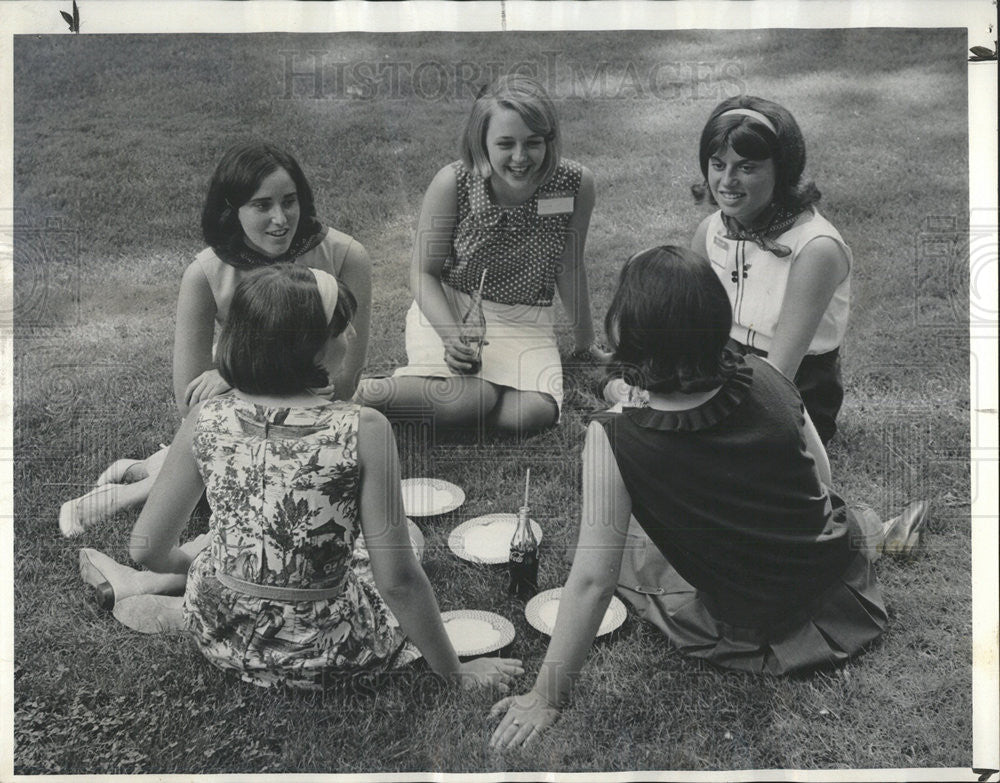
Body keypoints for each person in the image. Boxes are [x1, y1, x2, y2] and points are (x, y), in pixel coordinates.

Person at [489, 247, 926, 749]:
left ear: (626, 335)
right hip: (836, 580)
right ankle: (878, 533)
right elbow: (823, 480)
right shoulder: (768, 375)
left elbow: (592, 581)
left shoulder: (612, 436)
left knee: (616, 552)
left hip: (760, 621)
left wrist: (546, 696)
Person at [80, 264, 522, 691]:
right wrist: (455, 673)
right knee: (406, 535)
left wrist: (199, 567)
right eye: (341, 327)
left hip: (220, 637)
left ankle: (171, 603)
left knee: (235, 548)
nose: (351, 335)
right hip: (332, 655)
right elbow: (398, 580)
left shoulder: (205, 416)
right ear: (313, 347)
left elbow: (147, 546)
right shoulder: (362, 428)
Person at [60, 142, 372, 535]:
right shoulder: (205, 274)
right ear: (232, 209)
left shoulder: (347, 256)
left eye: (290, 201)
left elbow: (343, 384)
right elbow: (190, 402)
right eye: (262, 205)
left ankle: (144, 471)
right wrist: (238, 384)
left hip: (308, 403)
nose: (280, 219)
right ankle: (126, 492)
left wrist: (236, 372)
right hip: (240, 408)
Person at [357, 74, 607, 437]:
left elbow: (569, 265)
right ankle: (359, 393)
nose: (521, 158)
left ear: (549, 141)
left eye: (533, 142)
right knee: (466, 399)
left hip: (525, 319)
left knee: (532, 414)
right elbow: (422, 273)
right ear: (481, 142)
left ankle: (457, 406)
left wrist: (586, 345)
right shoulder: (453, 182)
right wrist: (450, 336)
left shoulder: (575, 183)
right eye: (505, 143)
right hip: (454, 308)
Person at [690, 96, 851, 444]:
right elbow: (691, 326)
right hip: (724, 363)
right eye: (718, 164)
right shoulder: (710, 229)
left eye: (747, 168)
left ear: (783, 171)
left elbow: (779, 376)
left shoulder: (816, 248)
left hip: (794, 387)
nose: (727, 181)